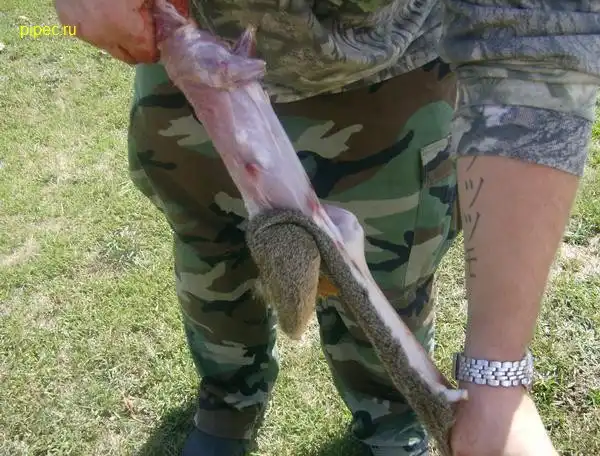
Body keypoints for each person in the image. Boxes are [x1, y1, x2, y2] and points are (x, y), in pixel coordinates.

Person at [54, 0, 599, 455]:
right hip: (192, 59)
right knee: (214, 264)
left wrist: (497, 381)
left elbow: (539, 43)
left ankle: (393, 424)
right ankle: (229, 402)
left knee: (388, 284)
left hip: (389, 80)